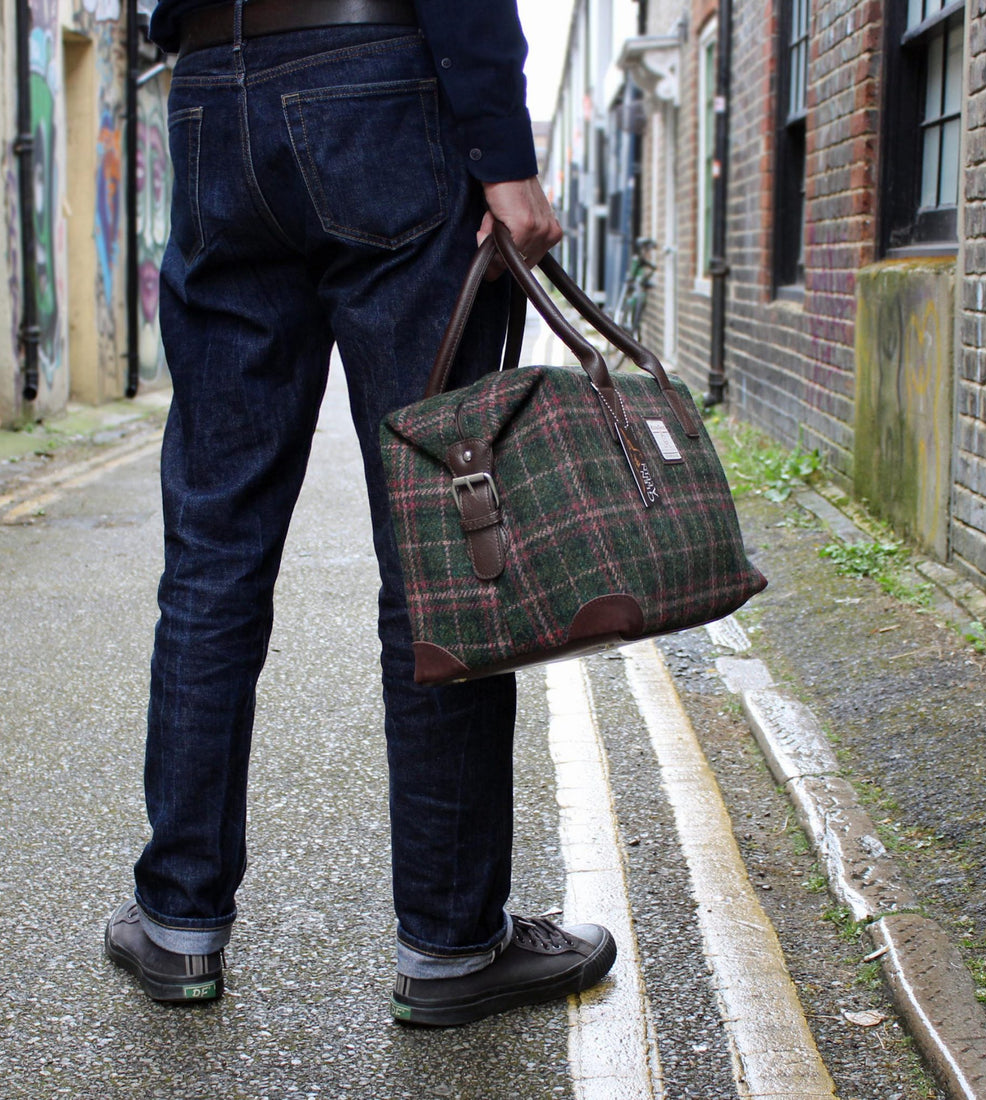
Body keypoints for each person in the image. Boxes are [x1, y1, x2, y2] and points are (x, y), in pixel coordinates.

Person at [105, 0, 616, 1026]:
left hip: (212, 90)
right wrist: (500, 148)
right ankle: (450, 939)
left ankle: (176, 922)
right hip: (377, 81)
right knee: (438, 541)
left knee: (213, 545)